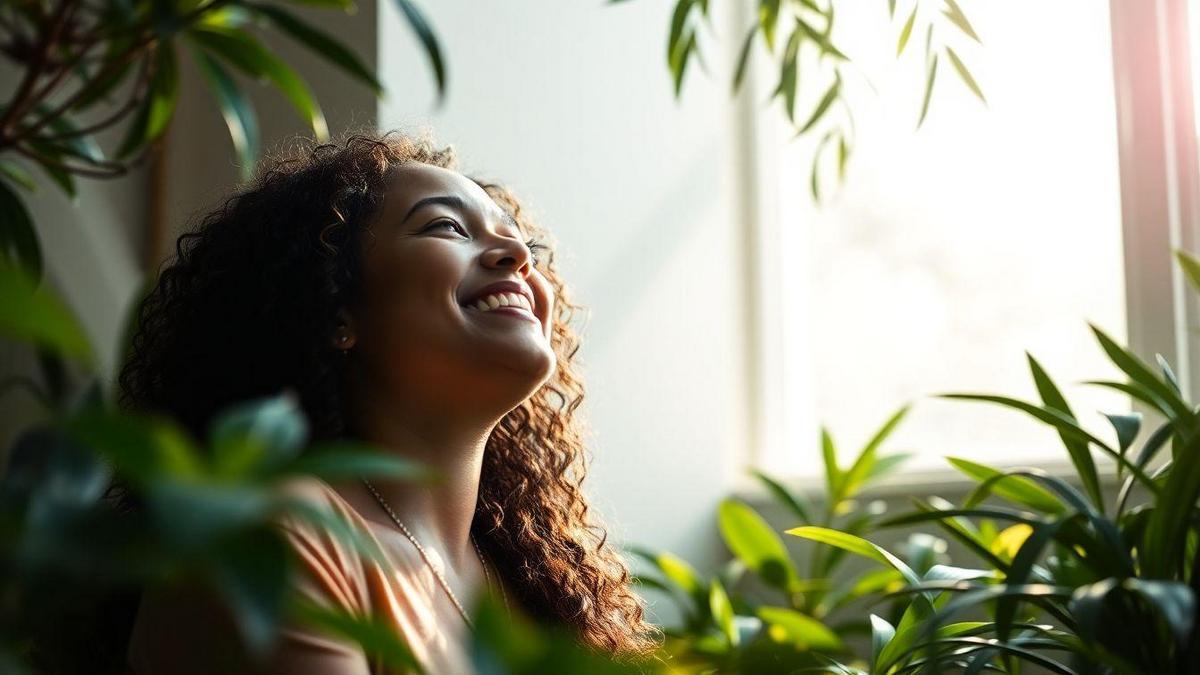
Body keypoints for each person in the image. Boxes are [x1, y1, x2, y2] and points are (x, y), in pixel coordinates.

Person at [116, 130, 658, 673]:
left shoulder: (530, 582)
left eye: (522, 243)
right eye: (446, 226)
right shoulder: (269, 536)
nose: (518, 255)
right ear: (337, 308)